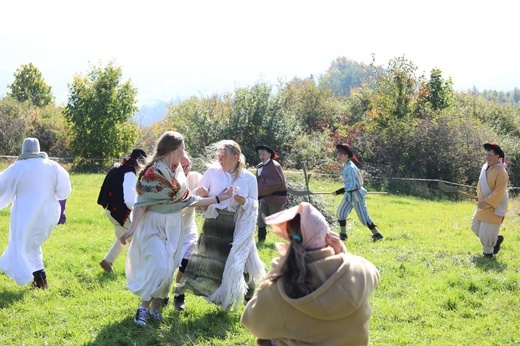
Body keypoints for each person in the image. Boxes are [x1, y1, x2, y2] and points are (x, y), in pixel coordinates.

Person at [118, 131, 234, 326]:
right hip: (154, 224)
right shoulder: (152, 172)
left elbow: (187, 200)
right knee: (160, 267)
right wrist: (132, 229)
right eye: (182, 147)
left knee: (169, 269)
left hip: (174, 226)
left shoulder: (177, 170)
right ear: (173, 149)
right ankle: (142, 310)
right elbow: (142, 203)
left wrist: (217, 198)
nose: (184, 151)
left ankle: (155, 310)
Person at [241, 202, 380, 346]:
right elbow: (374, 274)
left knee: (267, 341)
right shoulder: (358, 270)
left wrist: (277, 271)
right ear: (328, 236)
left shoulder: (280, 288)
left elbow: (250, 322)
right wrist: (344, 254)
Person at [175, 140, 266, 311]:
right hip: (214, 226)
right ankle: (179, 295)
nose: (220, 160)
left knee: (243, 264)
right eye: (218, 156)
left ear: (235, 157)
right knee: (205, 263)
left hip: (238, 227)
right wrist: (199, 193)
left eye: (223, 157)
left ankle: (249, 303)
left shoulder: (249, 178)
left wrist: (244, 201)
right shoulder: (212, 173)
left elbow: (254, 204)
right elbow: (198, 199)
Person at [0, 137, 71, 289]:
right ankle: (38, 279)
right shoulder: (53, 166)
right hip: (48, 213)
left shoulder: (17, 167)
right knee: (32, 245)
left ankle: (38, 278)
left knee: (23, 245)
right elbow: (64, 189)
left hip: (25, 214)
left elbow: (3, 189)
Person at [97, 148, 147, 272]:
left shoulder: (117, 168)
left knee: (122, 235)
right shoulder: (129, 173)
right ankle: (141, 271)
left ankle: (108, 261)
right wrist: (139, 211)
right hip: (120, 212)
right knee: (138, 241)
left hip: (110, 210)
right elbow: (129, 200)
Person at [169, 154, 203, 311]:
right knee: (167, 265)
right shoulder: (169, 179)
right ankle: (161, 295)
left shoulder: (196, 176)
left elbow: (210, 188)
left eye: (188, 165)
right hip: (169, 229)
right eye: (181, 167)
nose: (186, 170)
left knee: (186, 261)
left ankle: (179, 295)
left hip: (188, 227)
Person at [332, 143, 383, 242]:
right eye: (338, 154)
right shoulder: (346, 166)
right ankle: (343, 235)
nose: (338, 157)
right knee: (340, 213)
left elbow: (352, 185)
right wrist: (344, 191)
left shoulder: (350, 168)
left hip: (356, 195)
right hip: (349, 195)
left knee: (364, 217)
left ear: (346, 155)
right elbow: (349, 185)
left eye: (340, 155)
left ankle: (377, 234)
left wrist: (338, 191)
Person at [471, 142, 509, 258]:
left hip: (494, 207)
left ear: (497, 156)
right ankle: (496, 240)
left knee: (486, 234)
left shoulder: (501, 173)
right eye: (486, 155)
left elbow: (498, 192)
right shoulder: (485, 167)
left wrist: (486, 202)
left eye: (490, 155)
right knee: (475, 227)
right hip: (482, 205)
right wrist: (480, 197)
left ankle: (488, 254)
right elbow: (481, 184)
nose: (487, 157)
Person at [255, 145, 288, 242]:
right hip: (265, 197)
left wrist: (262, 188)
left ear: (269, 154)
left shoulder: (275, 166)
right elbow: (258, 180)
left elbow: (277, 183)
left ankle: (291, 239)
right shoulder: (260, 166)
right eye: (260, 154)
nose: (261, 156)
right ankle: (261, 240)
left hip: (276, 199)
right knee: (261, 219)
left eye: (263, 154)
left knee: (278, 222)